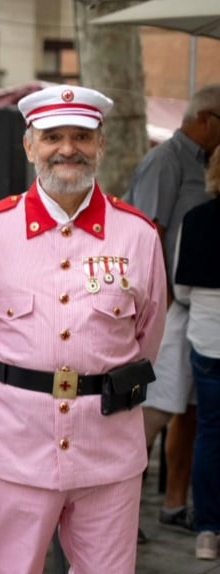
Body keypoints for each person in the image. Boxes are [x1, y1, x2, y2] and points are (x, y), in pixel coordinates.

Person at [0, 85, 167, 574]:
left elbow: (149, 334)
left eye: (81, 136)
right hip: (12, 443)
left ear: (101, 144)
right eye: (53, 137)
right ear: (29, 146)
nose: (67, 149)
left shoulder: (138, 236)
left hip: (108, 448)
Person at [124, 84, 220, 534]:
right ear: (206, 119)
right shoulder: (166, 161)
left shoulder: (202, 162)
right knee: (153, 410)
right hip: (164, 306)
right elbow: (145, 233)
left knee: (186, 407)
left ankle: (174, 503)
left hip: (187, 307)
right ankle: (122, 508)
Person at [174, 148, 220, 560]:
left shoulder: (196, 220)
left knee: (209, 430)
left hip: (208, 336)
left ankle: (208, 529)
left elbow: (182, 289)